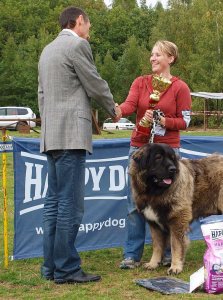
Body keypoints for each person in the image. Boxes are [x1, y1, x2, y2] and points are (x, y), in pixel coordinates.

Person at [38, 6, 120, 284]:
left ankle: (50, 267)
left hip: (51, 136)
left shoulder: (47, 50)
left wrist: (49, 126)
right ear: (79, 21)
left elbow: (42, 94)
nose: (89, 29)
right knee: (70, 206)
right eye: (89, 23)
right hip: (71, 135)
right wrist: (113, 110)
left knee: (53, 204)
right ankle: (67, 268)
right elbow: (94, 84)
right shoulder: (77, 45)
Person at [115, 40, 192, 269]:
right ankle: (132, 254)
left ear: (171, 58)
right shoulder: (141, 82)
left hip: (168, 151)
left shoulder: (180, 87)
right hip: (140, 149)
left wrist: (163, 121)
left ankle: (169, 254)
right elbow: (130, 105)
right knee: (134, 204)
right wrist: (118, 110)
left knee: (169, 204)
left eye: (158, 55)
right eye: (152, 54)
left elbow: (185, 121)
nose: (153, 58)